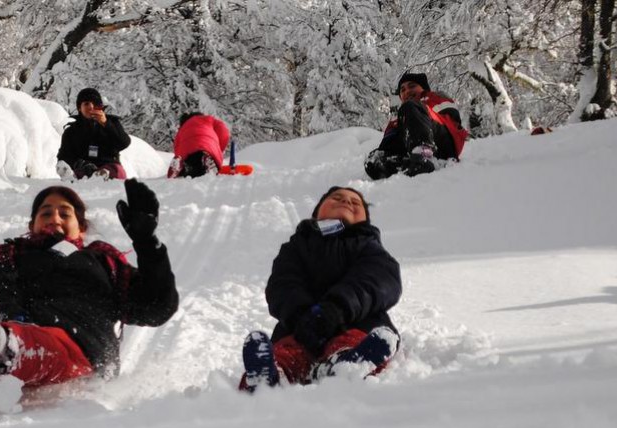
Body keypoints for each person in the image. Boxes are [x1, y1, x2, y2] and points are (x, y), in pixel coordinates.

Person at [0, 179, 178, 404]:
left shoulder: (103, 261)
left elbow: (156, 308)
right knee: (14, 337)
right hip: (23, 332)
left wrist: (147, 243)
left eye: (65, 214)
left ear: (82, 227)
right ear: (32, 225)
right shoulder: (14, 258)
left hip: (83, 351)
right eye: (46, 213)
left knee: (27, 344)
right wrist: (12, 320)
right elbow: (1, 295)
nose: (55, 218)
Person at [240, 186, 403, 392]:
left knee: (353, 342)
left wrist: (337, 308)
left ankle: (346, 366)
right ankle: (270, 376)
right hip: (301, 328)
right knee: (289, 350)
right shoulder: (296, 247)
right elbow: (283, 283)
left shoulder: (369, 247)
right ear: (317, 211)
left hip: (358, 322)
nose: (346, 202)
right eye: (337, 198)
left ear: (364, 220)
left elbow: (377, 279)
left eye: (355, 202)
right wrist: (300, 315)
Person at [364, 72, 469, 180]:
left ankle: (424, 156)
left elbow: (453, 120)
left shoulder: (433, 98)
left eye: (412, 86)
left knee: (410, 107)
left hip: (443, 141)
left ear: (423, 88)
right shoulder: (401, 116)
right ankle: (400, 166)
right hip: (412, 148)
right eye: (402, 90)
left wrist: (417, 109)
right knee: (374, 158)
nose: (407, 91)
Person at [58, 88, 133, 180]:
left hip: (109, 168)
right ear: (79, 108)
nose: (91, 107)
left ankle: (100, 176)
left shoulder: (112, 123)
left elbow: (124, 143)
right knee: (74, 174)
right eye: (86, 104)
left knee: (116, 171)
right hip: (83, 171)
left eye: (95, 104)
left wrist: (106, 124)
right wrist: (80, 164)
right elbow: (63, 157)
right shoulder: (71, 131)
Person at [168, 112, 231, 178]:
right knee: (208, 162)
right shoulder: (209, 120)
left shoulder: (182, 128)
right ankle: (207, 160)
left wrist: (179, 156)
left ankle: (181, 166)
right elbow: (224, 132)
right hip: (208, 147)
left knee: (190, 166)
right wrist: (218, 148)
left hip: (187, 151)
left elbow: (176, 145)